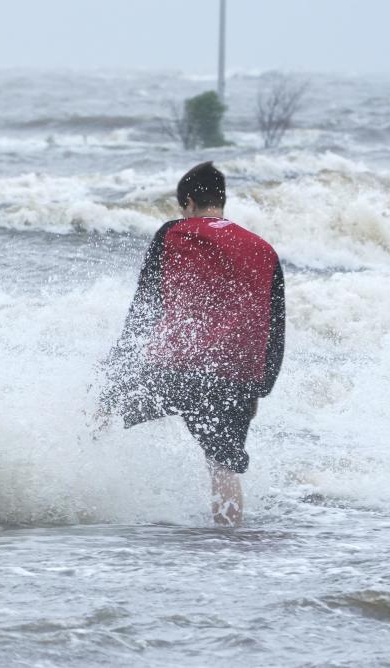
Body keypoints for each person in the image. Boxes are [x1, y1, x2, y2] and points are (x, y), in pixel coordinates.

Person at [97, 161, 285, 526]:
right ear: (222, 200)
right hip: (235, 375)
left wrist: (117, 363)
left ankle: (70, 494)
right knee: (223, 467)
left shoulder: (173, 232)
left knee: (100, 407)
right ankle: (228, 540)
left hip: (173, 366)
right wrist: (259, 388)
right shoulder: (264, 249)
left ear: (187, 202)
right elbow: (274, 326)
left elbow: (147, 305)